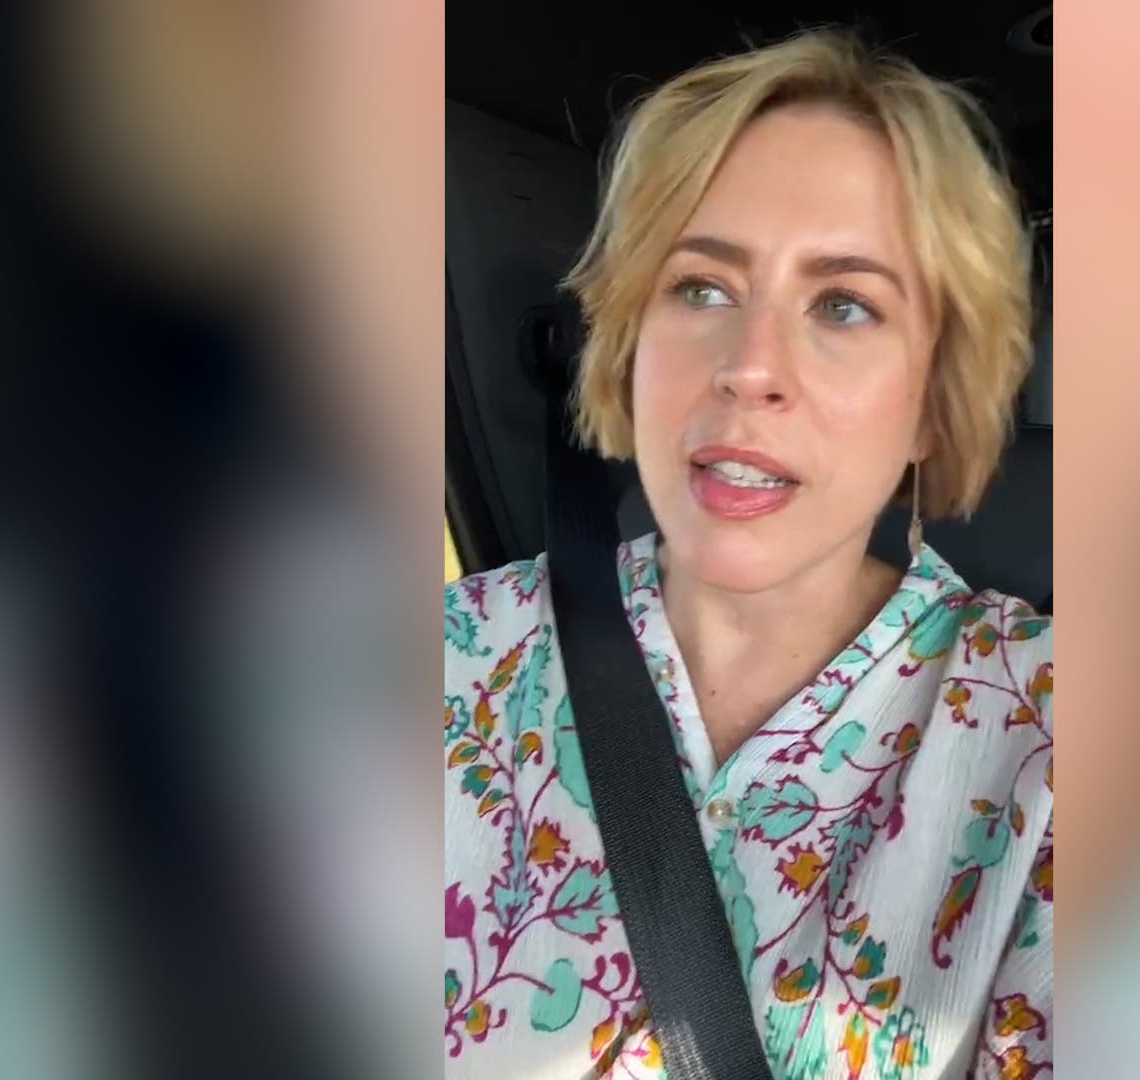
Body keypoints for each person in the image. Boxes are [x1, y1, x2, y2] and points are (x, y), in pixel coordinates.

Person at [441, 30, 1052, 1079]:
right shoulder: (450, 657)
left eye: (845, 305)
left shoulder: (1054, 741)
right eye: (702, 288)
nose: (750, 366)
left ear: (930, 401)